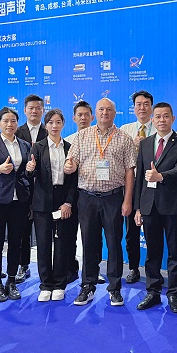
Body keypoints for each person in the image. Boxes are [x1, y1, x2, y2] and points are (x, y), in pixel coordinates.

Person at [65, 98, 135, 307]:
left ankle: (115, 288)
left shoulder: (124, 138)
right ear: (96, 113)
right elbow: (72, 160)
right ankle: (87, 286)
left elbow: (129, 171)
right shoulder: (82, 136)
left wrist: (127, 200)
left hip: (113, 197)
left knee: (114, 243)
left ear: (115, 113)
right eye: (101, 109)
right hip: (87, 197)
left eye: (109, 110)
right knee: (89, 243)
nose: (105, 113)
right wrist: (69, 166)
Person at [134, 102, 177, 313]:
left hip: (173, 206)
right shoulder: (145, 144)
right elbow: (140, 178)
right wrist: (138, 208)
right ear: (152, 119)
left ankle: (173, 294)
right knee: (152, 252)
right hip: (149, 206)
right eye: (158, 116)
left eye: (166, 116)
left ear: (173, 119)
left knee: (175, 253)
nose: (162, 120)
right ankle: (153, 291)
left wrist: (161, 176)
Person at [26, 109, 78, 302]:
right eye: (50, 122)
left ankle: (59, 283)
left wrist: (68, 202)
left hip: (63, 200)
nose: (54, 126)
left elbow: (74, 180)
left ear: (63, 124)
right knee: (43, 244)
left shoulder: (70, 148)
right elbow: (30, 175)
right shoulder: (38, 147)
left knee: (63, 243)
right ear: (45, 125)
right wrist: (29, 169)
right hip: (42, 201)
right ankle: (46, 284)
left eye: (58, 122)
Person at [0, 107, 32, 302]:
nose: (10, 124)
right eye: (6, 121)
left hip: (19, 200)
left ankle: (11, 281)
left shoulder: (25, 144)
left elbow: (27, 171)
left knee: (16, 242)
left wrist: (31, 169)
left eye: (13, 121)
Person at [119, 90, 154, 285]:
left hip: (153, 186)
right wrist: (133, 146)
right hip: (131, 185)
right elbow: (120, 157)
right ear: (133, 108)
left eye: (146, 104)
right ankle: (133, 267)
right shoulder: (126, 130)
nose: (142, 108)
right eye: (139, 104)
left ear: (151, 107)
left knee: (152, 231)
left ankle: (153, 270)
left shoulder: (159, 128)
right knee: (131, 231)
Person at [64, 101, 100, 286]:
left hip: (92, 194)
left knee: (93, 236)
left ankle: (94, 270)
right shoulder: (68, 141)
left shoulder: (99, 139)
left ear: (92, 117)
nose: (83, 118)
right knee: (70, 234)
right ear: (74, 118)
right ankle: (71, 268)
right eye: (80, 115)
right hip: (71, 195)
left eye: (87, 114)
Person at [15, 94, 48, 283]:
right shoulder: (17, 132)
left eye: (38, 108)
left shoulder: (50, 130)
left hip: (45, 190)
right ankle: (23, 265)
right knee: (23, 231)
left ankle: (50, 268)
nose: (34, 111)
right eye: (31, 108)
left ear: (43, 110)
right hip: (23, 190)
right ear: (25, 110)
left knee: (47, 233)